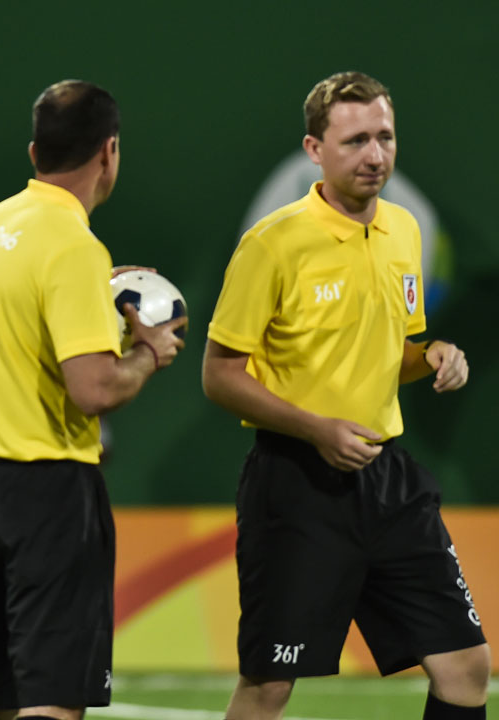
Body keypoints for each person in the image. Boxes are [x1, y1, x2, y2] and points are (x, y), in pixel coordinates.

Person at [201, 71, 490, 720]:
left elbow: (394, 355)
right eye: (356, 139)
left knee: (465, 668)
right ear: (315, 150)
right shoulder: (272, 244)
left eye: (385, 137)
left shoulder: (405, 232)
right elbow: (219, 373)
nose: (375, 154)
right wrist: (315, 429)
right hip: (296, 485)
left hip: (389, 481)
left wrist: (434, 356)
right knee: (268, 686)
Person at [0, 80, 184, 720]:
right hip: (44, 492)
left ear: (33, 151)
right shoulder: (74, 247)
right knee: (52, 700)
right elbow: (94, 388)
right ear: (109, 153)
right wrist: (149, 353)